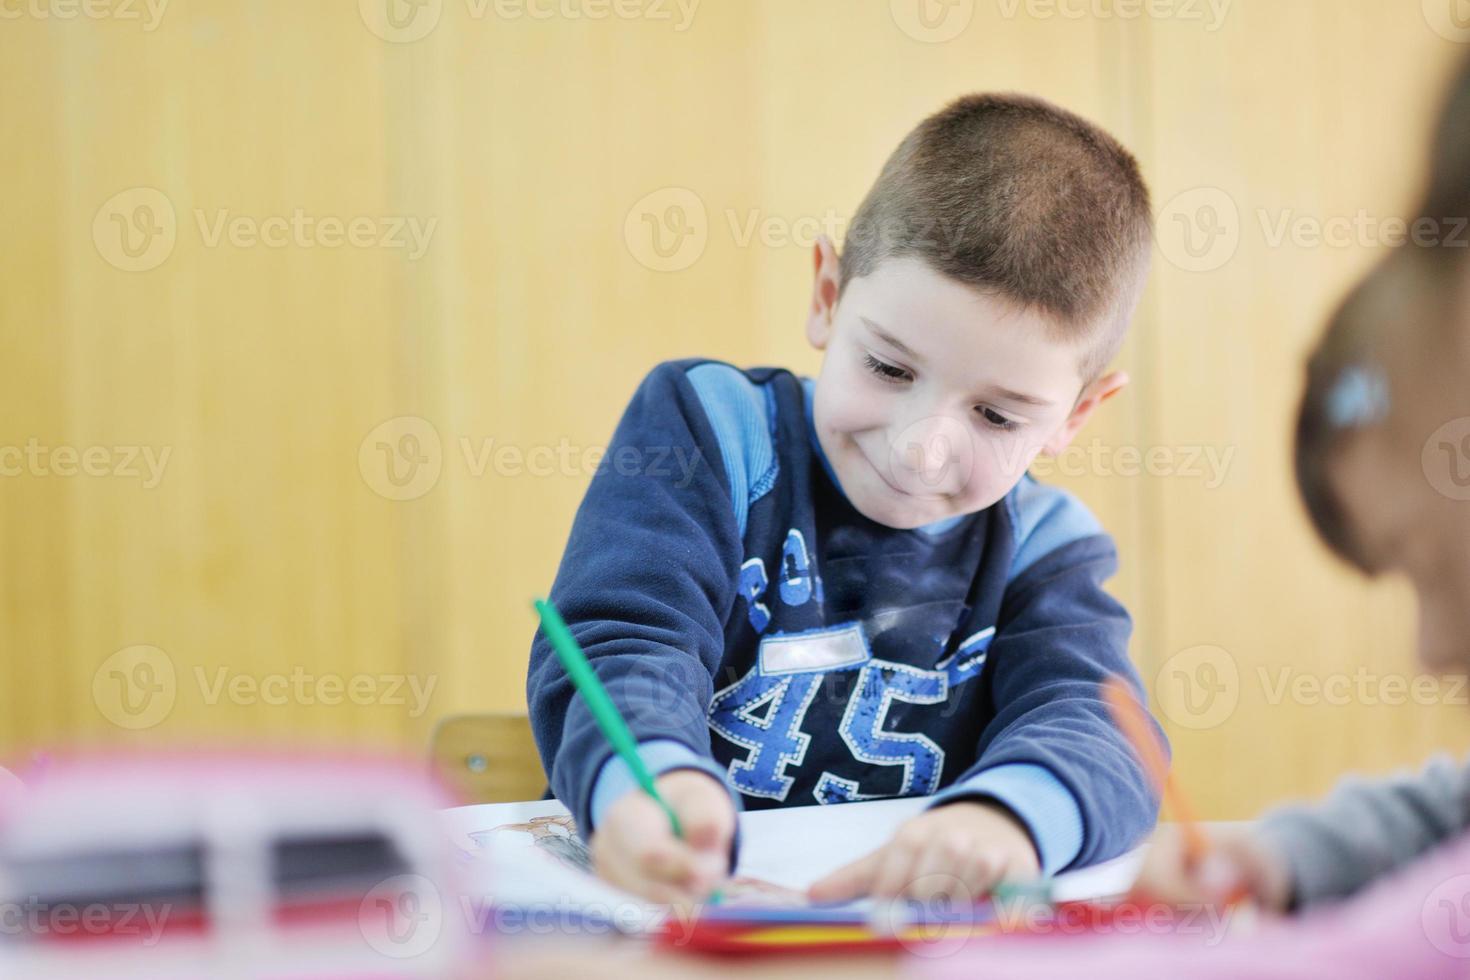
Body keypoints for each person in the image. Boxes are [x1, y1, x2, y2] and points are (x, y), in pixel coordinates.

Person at [527, 93, 1163, 907]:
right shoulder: (709, 431)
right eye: (891, 369)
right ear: (828, 296)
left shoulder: (1045, 547)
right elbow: (623, 641)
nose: (919, 447)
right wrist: (653, 779)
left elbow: (1103, 728)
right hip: (659, 919)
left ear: (1075, 415)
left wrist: (1005, 823)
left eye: (998, 415)